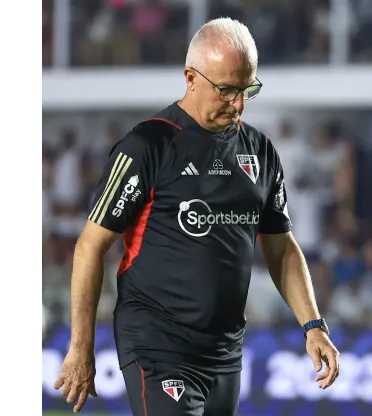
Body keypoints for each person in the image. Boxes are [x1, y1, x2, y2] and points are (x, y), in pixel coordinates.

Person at [53, 18, 340, 415]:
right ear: (191, 77)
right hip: (157, 342)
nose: (237, 104)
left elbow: (281, 248)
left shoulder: (260, 152)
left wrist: (313, 326)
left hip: (224, 351)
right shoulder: (148, 144)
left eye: (246, 90)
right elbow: (90, 246)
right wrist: (80, 347)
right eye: (226, 90)